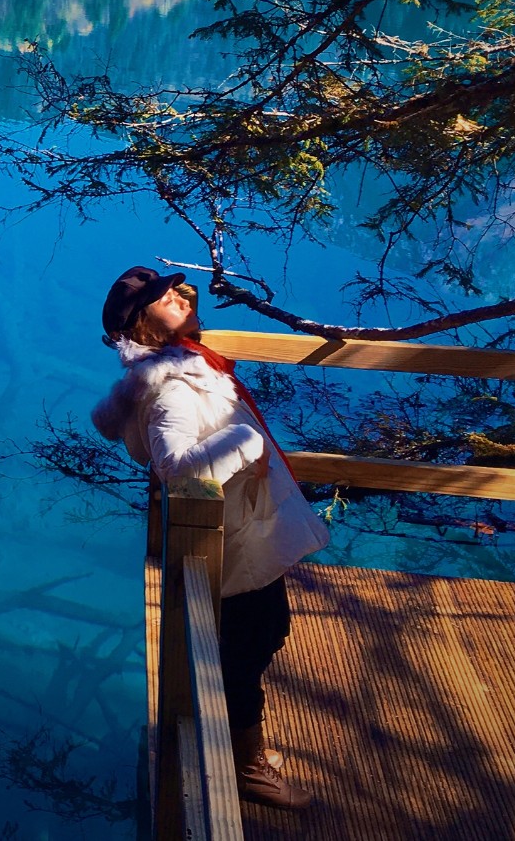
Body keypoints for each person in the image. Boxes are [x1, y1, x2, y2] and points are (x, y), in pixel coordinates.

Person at [90, 266, 328, 810]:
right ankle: (246, 764)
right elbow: (176, 466)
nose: (177, 295)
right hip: (230, 541)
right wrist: (247, 440)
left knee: (263, 634)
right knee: (248, 647)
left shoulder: (186, 367)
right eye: (161, 298)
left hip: (242, 531)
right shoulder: (172, 390)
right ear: (143, 326)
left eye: (176, 290)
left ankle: (243, 743)